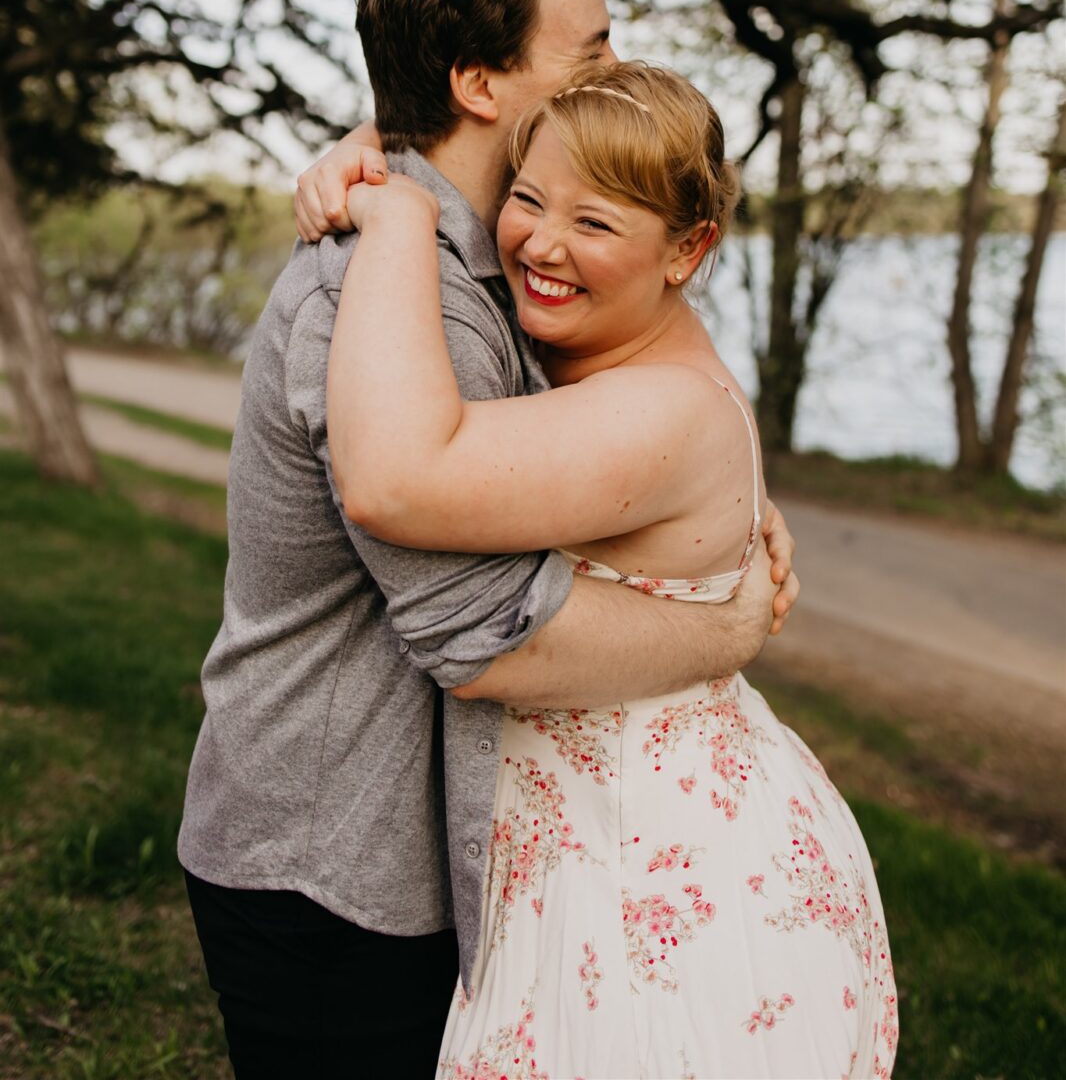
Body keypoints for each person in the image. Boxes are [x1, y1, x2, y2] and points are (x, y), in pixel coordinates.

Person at [179, 0, 799, 1078]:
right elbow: (483, 630)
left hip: (392, 854)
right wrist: (719, 622)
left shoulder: (491, 263)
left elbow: (602, 445)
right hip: (333, 861)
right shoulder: (395, 293)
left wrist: (714, 522)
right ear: (479, 82)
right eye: (593, 45)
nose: (615, 65)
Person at [324, 59, 897, 1079]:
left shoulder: (657, 408)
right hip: (596, 839)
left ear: (688, 249)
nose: (541, 242)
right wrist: (363, 148)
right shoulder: (612, 356)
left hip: (651, 870)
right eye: (527, 200)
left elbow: (395, 476)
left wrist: (401, 221)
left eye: (594, 225)